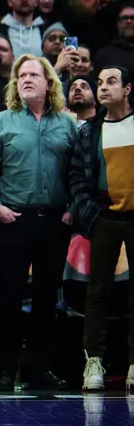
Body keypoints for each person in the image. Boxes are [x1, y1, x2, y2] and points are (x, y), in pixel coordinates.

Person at [0, 55, 77, 391]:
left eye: (33, 75)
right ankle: (7, 368)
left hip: (55, 221)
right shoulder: (1, 122)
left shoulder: (67, 124)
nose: (25, 79)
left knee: (46, 298)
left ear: (48, 82)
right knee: (9, 297)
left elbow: (76, 172)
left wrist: (72, 208)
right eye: (21, 75)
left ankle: (38, 367)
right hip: (14, 220)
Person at [70, 66, 134, 391]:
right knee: (97, 293)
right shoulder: (90, 131)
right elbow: (78, 180)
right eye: (99, 83)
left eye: (111, 82)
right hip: (105, 217)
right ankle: (93, 361)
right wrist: (90, 215)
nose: (103, 88)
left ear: (128, 89)